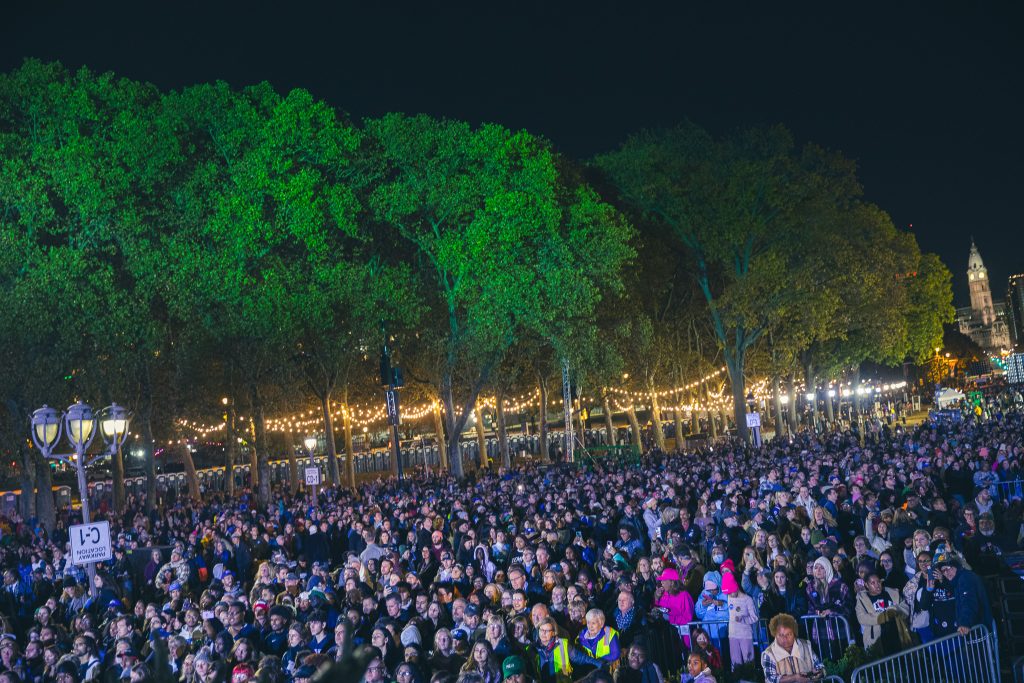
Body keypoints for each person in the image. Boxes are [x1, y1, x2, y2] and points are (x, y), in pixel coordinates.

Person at [760, 613, 824, 683]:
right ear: (774, 634)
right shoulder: (769, 654)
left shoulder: (806, 646)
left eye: (788, 634)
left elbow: (819, 667)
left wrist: (818, 673)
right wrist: (794, 678)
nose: (785, 639)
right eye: (781, 635)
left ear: (794, 633)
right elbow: (770, 679)